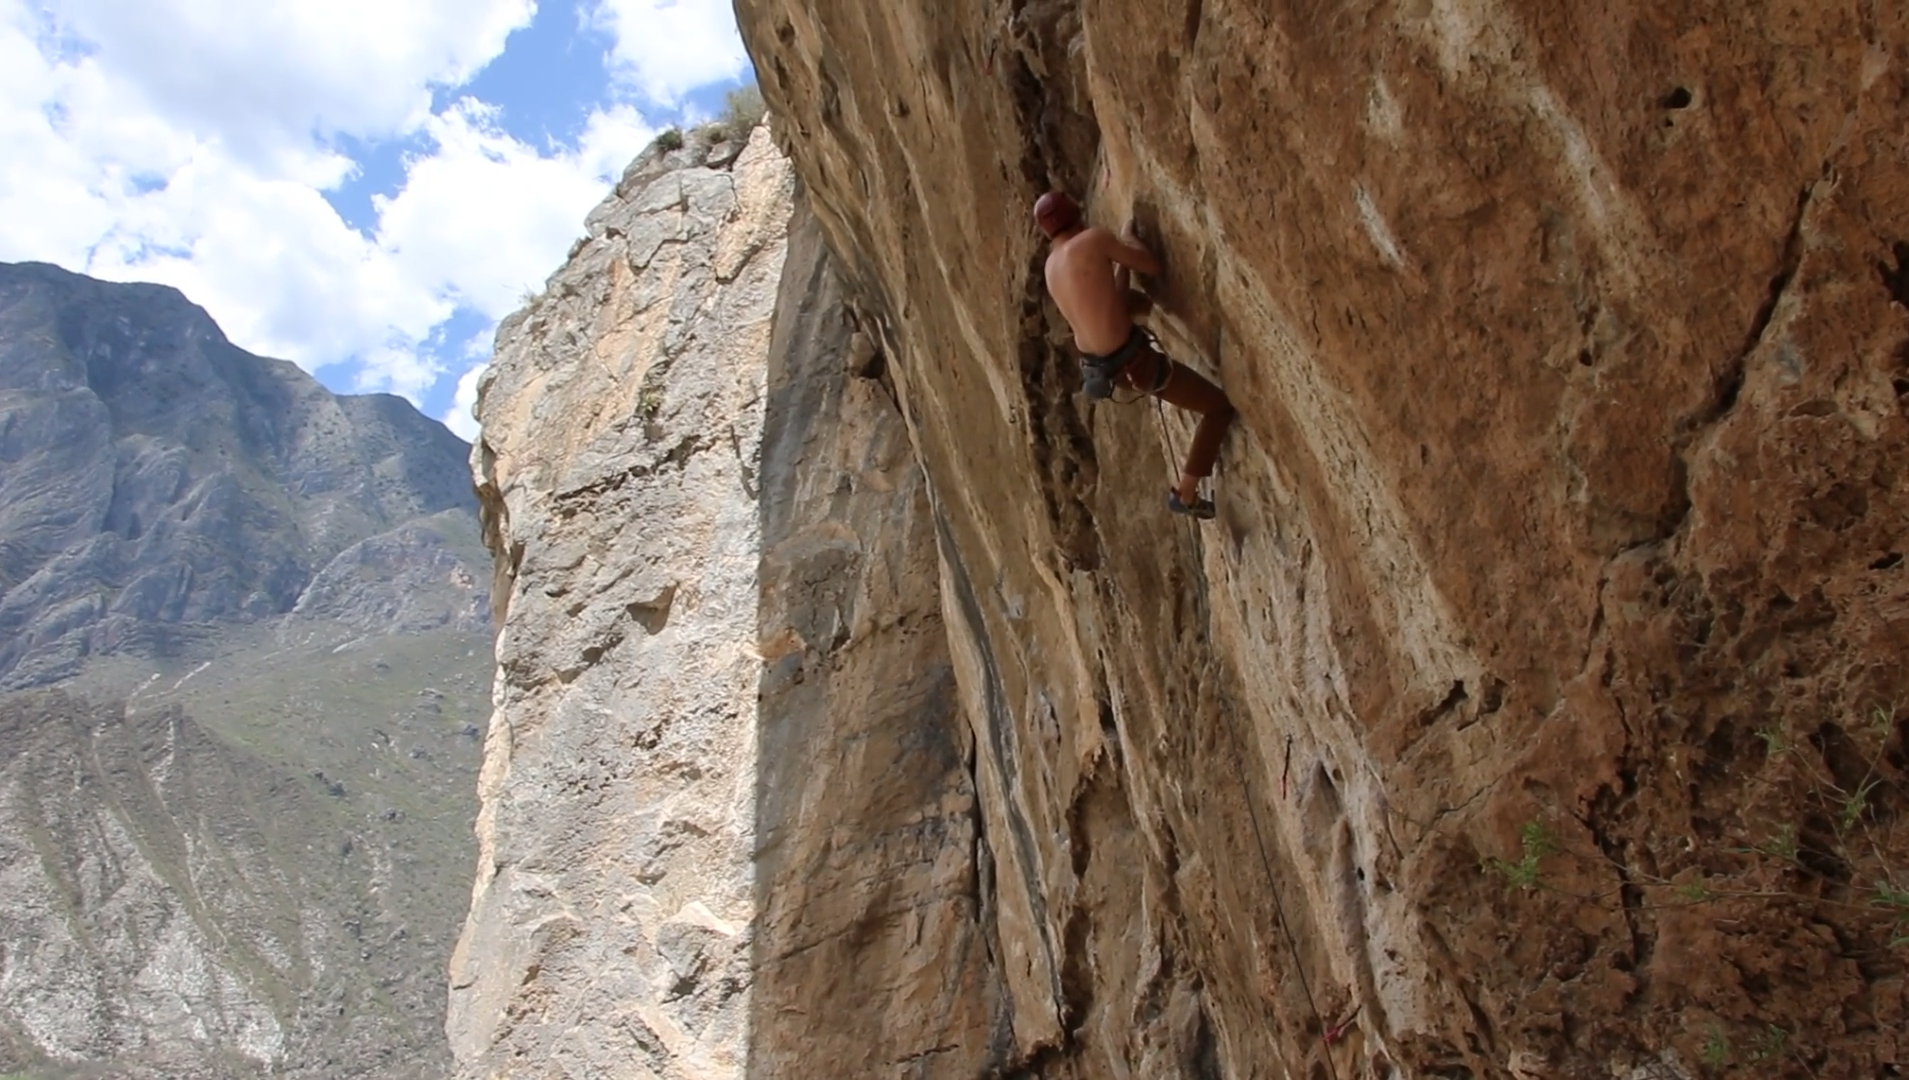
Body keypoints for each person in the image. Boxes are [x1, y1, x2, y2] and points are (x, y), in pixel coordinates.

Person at [1034, 191, 1235, 519]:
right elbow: (1150, 265)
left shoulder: (1051, 267)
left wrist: (1118, 263)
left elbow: (1108, 301)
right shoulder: (1093, 239)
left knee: (1133, 304)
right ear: (1077, 213)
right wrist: (1125, 241)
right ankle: (1185, 494)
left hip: (1100, 367)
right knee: (1218, 408)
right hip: (1133, 363)